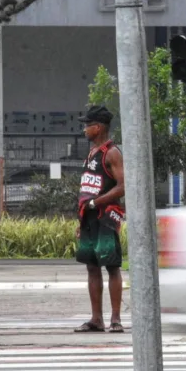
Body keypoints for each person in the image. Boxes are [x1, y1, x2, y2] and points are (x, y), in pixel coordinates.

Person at [73, 105, 126, 334]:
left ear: (98, 127)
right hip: (89, 218)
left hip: (105, 217)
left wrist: (97, 203)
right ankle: (97, 319)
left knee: (112, 267)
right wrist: (81, 219)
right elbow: (87, 189)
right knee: (91, 267)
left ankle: (115, 319)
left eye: (87, 125)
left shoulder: (111, 153)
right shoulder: (91, 153)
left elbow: (123, 186)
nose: (84, 129)